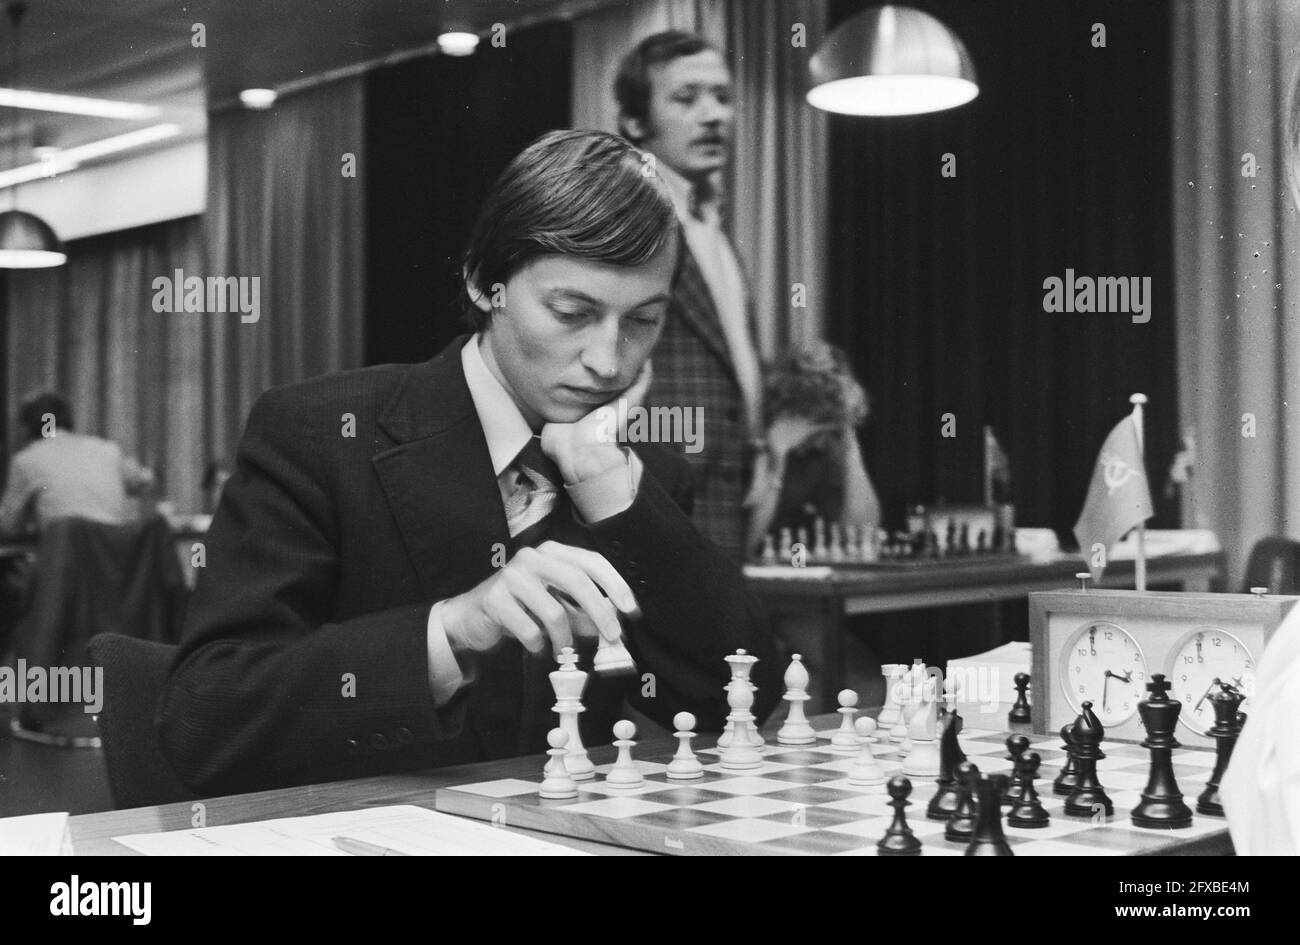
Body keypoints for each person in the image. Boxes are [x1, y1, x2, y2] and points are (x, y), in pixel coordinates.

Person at [158, 130, 783, 796]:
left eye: (643, 321)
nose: (609, 360)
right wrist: (451, 629)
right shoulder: (320, 433)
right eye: (572, 312)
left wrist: (615, 496)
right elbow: (204, 717)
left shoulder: (637, 473)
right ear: (486, 284)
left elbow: (731, 698)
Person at [615, 31, 763, 562]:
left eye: (723, 97)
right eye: (687, 98)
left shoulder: (712, 225)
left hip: (729, 489)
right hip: (665, 484)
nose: (713, 114)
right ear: (635, 122)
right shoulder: (628, 215)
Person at [0, 392, 154, 537]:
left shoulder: (26, 460)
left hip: (65, 560)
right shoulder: (109, 450)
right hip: (114, 559)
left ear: (25, 428)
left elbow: (8, 525)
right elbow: (146, 481)